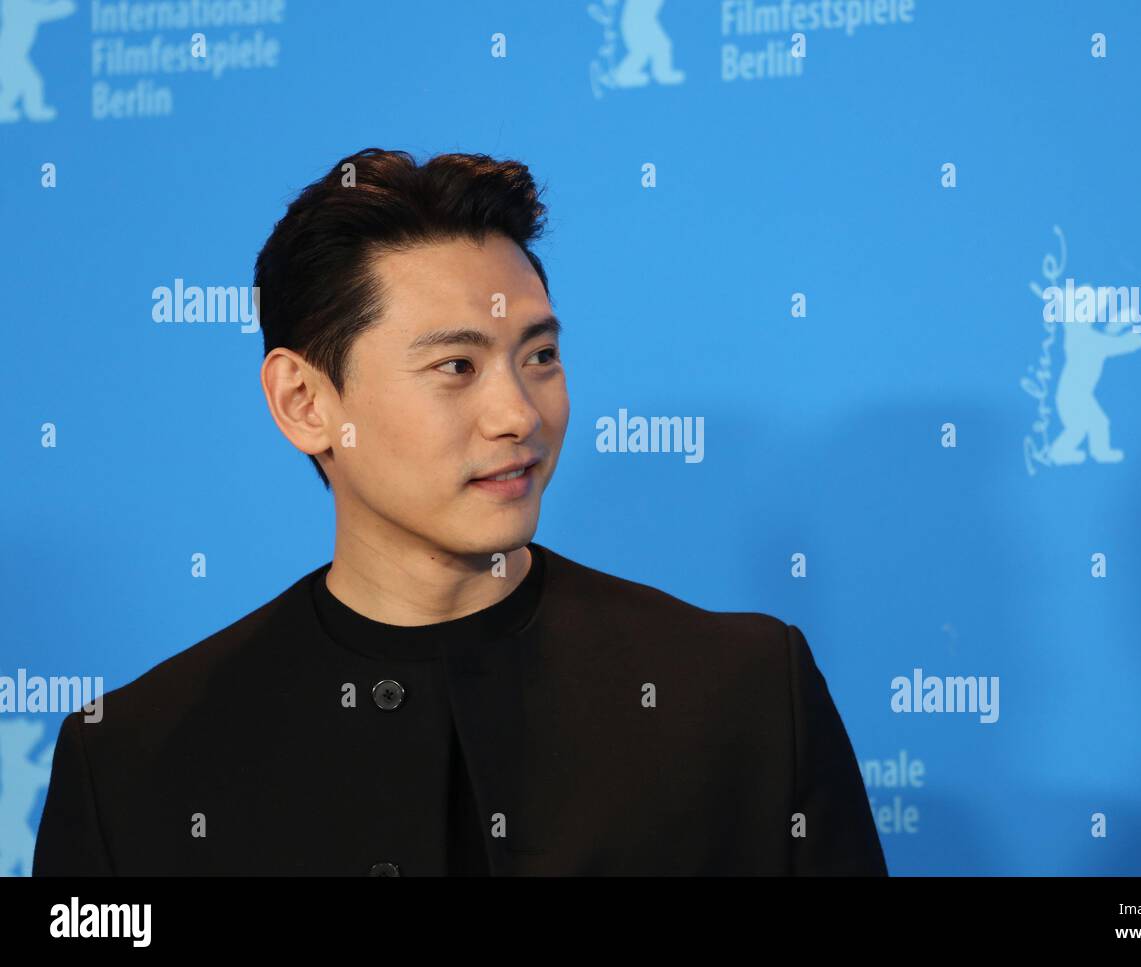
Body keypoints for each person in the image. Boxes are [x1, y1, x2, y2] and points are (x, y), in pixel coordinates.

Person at [32, 148, 887, 876]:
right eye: (456, 366)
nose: (518, 413)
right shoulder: (134, 761)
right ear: (304, 401)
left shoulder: (742, 698)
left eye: (541, 355)